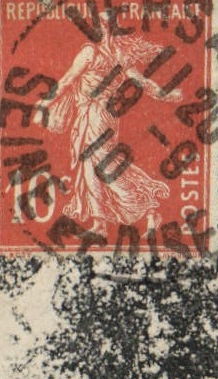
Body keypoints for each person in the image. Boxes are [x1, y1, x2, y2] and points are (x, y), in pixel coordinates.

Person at [40, 16, 183, 237]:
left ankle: (146, 208)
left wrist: (45, 103)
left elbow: (67, 80)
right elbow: (143, 83)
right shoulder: (119, 55)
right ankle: (103, 223)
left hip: (95, 115)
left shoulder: (90, 53)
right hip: (105, 115)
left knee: (102, 165)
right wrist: (166, 94)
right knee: (96, 164)